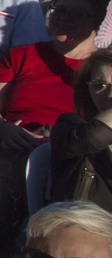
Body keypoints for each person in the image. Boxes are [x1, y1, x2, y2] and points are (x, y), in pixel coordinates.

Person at [47, 48, 112, 207]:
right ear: (87, 91)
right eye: (99, 85)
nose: (110, 95)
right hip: (82, 220)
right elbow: (91, 137)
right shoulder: (70, 125)